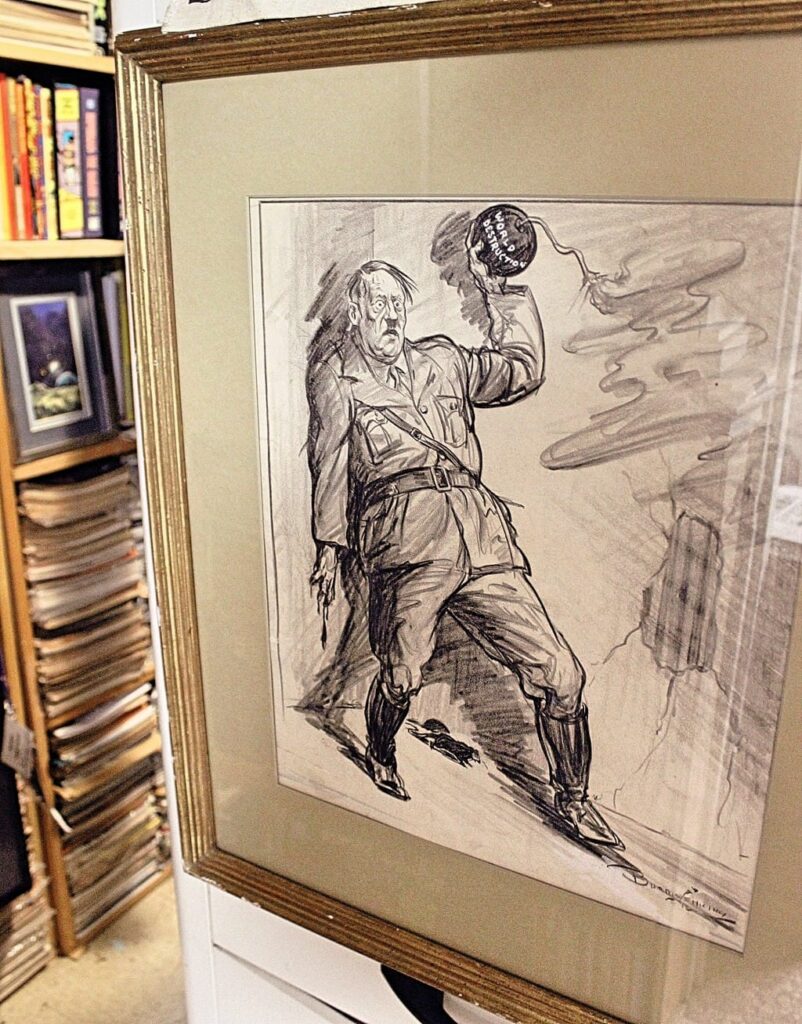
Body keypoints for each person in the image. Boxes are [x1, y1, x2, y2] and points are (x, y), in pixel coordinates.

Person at [306, 236, 621, 847]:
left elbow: (522, 370)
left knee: (561, 673)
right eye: (377, 305)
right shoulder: (339, 381)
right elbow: (331, 464)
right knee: (402, 674)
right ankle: (380, 749)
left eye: (397, 304)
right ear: (356, 314)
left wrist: (499, 291)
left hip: (481, 537)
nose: (390, 316)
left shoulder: (443, 360)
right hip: (406, 542)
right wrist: (328, 546)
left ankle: (575, 798)